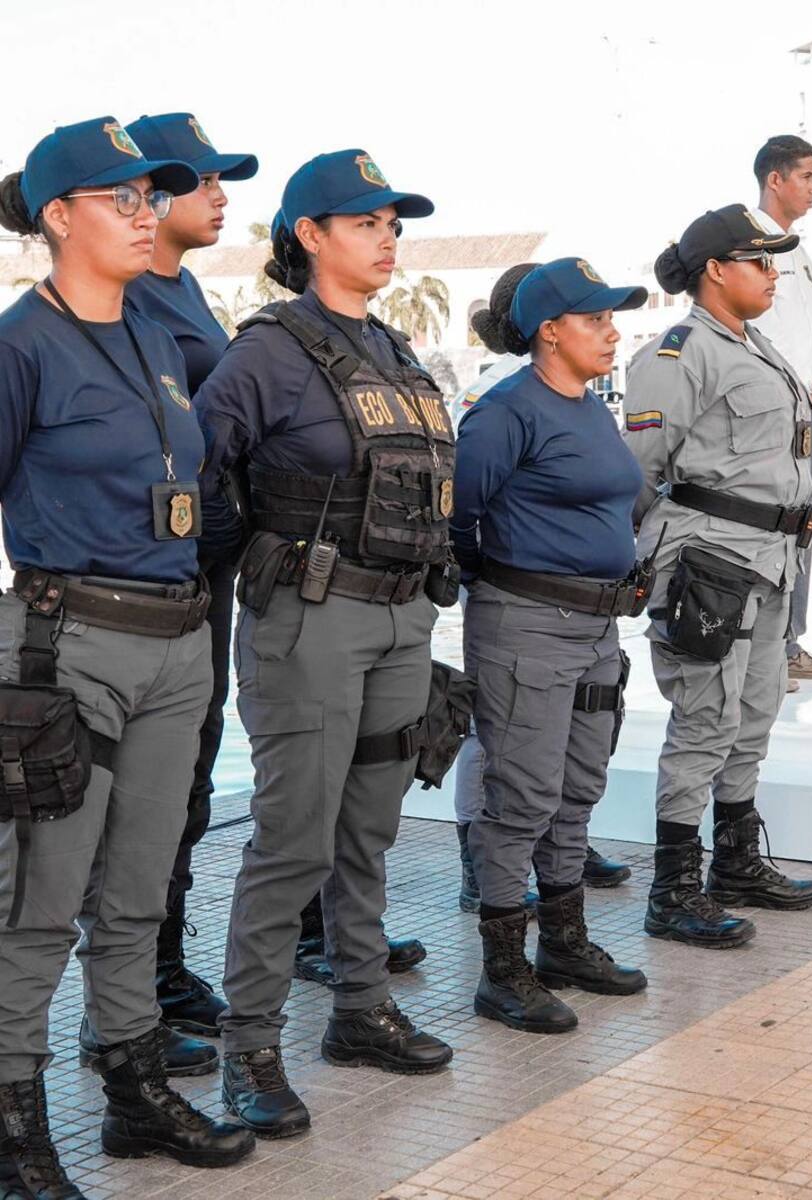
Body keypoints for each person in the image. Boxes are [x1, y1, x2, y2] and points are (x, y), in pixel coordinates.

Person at [0, 116, 256, 1196]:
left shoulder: (157, 337)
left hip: (176, 638)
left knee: (141, 888)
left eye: (151, 197)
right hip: (71, 645)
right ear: (59, 216)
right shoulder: (20, 345)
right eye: (121, 199)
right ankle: (12, 1118)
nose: (145, 213)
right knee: (40, 899)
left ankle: (132, 1091)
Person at [195, 149, 455, 1138]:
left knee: (368, 830)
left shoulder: (396, 350)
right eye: (365, 221)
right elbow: (204, 479)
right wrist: (263, 566)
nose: (388, 236)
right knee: (291, 840)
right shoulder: (267, 350)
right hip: (310, 620)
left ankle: (358, 1007)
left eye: (394, 222)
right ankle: (251, 1047)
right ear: (308, 234)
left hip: (400, 617)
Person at [78, 111, 257, 1081]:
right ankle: (122, 1001)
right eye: (205, 181)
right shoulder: (129, 294)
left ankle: (160, 970)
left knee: (184, 781)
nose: (220, 197)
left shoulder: (183, 288)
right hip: (144, 577)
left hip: (205, 571)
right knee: (137, 794)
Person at [452, 257, 649, 1034]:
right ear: (548, 331)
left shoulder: (592, 407)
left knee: (576, 790)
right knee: (522, 796)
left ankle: (564, 944)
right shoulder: (505, 412)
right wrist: (512, 586)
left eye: (611, 318)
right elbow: (457, 519)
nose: (611, 331)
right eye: (595, 319)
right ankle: (503, 972)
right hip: (526, 627)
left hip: (598, 630)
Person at [623, 206, 812, 952]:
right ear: (715, 270)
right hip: (708, 561)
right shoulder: (679, 354)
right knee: (705, 717)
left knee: (756, 711)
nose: (773, 275)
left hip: (773, 560)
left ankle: (735, 862)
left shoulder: (757, 343)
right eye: (759, 261)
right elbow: (638, 473)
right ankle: (673, 886)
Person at [747, 135, 812, 687]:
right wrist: (808, 383)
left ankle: (787, 645)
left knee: (802, 528)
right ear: (775, 179)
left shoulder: (797, 250)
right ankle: (763, 653)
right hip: (777, 407)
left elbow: (808, 334)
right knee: (772, 527)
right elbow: (759, 333)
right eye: (805, 176)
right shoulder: (749, 244)